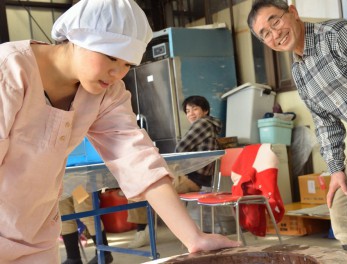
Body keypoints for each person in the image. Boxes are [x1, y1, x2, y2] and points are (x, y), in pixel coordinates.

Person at [0, 0, 240, 262]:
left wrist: (194, 238)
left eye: (128, 64)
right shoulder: (9, 70)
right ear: (78, 37)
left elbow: (137, 158)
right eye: (110, 57)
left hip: (36, 235)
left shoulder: (106, 94)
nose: (117, 73)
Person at [247, 1, 347, 263]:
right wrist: (336, 169)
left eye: (275, 21)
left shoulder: (341, 34)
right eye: (265, 33)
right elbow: (326, 123)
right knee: (342, 209)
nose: (275, 33)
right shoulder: (300, 71)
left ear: (293, 13)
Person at [127, 95, 222, 248]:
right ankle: (145, 231)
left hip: (192, 179)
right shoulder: (210, 125)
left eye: (195, 109)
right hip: (196, 178)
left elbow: (180, 148)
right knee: (141, 188)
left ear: (205, 111)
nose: (191, 113)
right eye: (187, 110)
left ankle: (143, 233)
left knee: (137, 191)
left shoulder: (203, 123)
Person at [59, 193, 113, 264]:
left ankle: (104, 253)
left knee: (87, 214)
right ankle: (73, 258)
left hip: (78, 184)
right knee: (64, 218)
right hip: (57, 185)